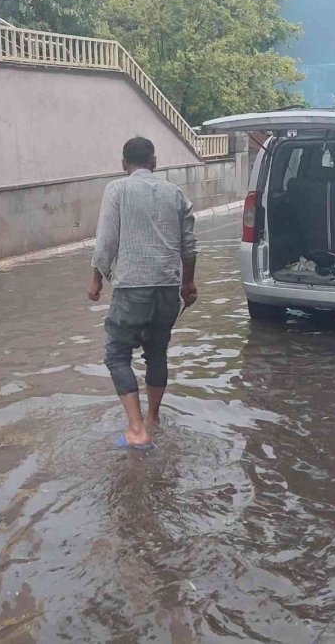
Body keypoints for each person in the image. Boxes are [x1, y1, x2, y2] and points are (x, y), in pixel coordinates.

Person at [88, 137, 198, 450]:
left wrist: (96, 280)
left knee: (117, 354)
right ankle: (153, 417)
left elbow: (106, 242)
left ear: (124, 165)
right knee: (156, 352)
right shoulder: (175, 193)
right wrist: (188, 284)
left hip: (132, 287)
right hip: (167, 289)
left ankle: (137, 430)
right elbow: (189, 246)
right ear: (154, 162)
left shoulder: (117, 190)